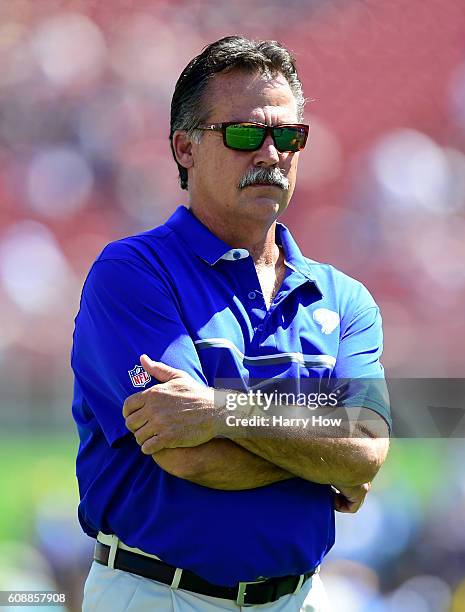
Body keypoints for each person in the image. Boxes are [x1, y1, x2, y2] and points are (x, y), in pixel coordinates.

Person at [71, 36, 391, 611]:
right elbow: (187, 455)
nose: (270, 153)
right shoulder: (133, 272)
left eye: (287, 135)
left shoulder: (345, 300)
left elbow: (365, 446)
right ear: (185, 148)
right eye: (245, 134)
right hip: (157, 593)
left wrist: (220, 412)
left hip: (299, 598)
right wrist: (322, 457)